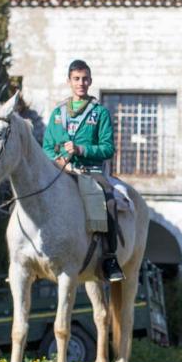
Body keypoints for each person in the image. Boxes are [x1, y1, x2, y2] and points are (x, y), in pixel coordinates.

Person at [42, 59, 124, 283]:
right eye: (76, 79)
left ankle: (109, 258)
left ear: (91, 81)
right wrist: (59, 161)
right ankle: (33, 254)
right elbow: (46, 147)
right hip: (60, 171)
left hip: (91, 171)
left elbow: (108, 148)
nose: (81, 83)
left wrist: (81, 149)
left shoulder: (100, 113)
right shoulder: (57, 114)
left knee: (109, 201)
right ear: (69, 81)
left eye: (85, 78)